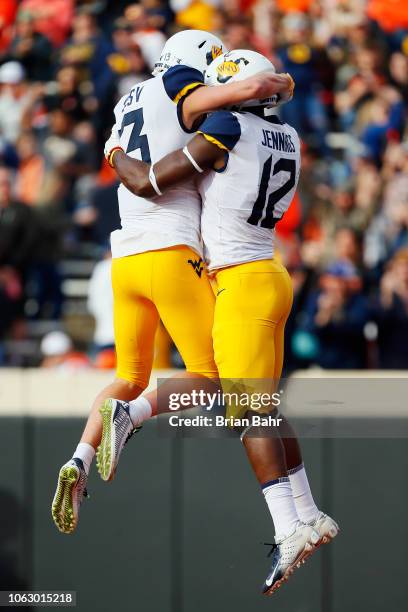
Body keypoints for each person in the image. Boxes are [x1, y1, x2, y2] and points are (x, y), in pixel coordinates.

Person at [102, 49, 338, 595]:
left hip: (239, 279)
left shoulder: (228, 124)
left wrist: (117, 152)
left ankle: (287, 527)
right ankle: (308, 513)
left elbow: (154, 181)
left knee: (246, 411)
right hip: (269, 272)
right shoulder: (291, 136)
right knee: (264, 404)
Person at [51, 30, 294, 535]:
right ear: (195, 65)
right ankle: (134, 416)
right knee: (213, 379)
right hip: (171, 253)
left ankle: (79, 455)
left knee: (128, 373)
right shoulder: (183, 89)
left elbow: (123, 153)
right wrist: (275, 83)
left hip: (123, 262)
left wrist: (114, 155)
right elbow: (238, 93)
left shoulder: (125, 100)